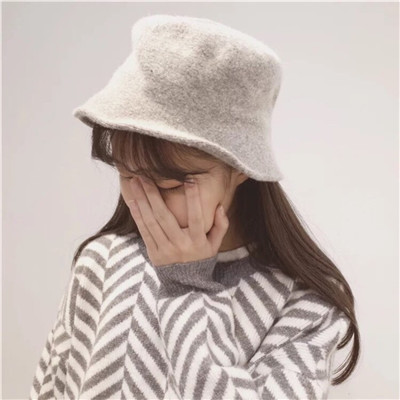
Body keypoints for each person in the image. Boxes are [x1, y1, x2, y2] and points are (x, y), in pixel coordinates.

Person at [29, 14, 360, 399]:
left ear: (240, 167)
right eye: (126, 173)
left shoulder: (306, 304)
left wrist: (187, 286)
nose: (144, 200)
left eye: (169, 184)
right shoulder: (101, 262)